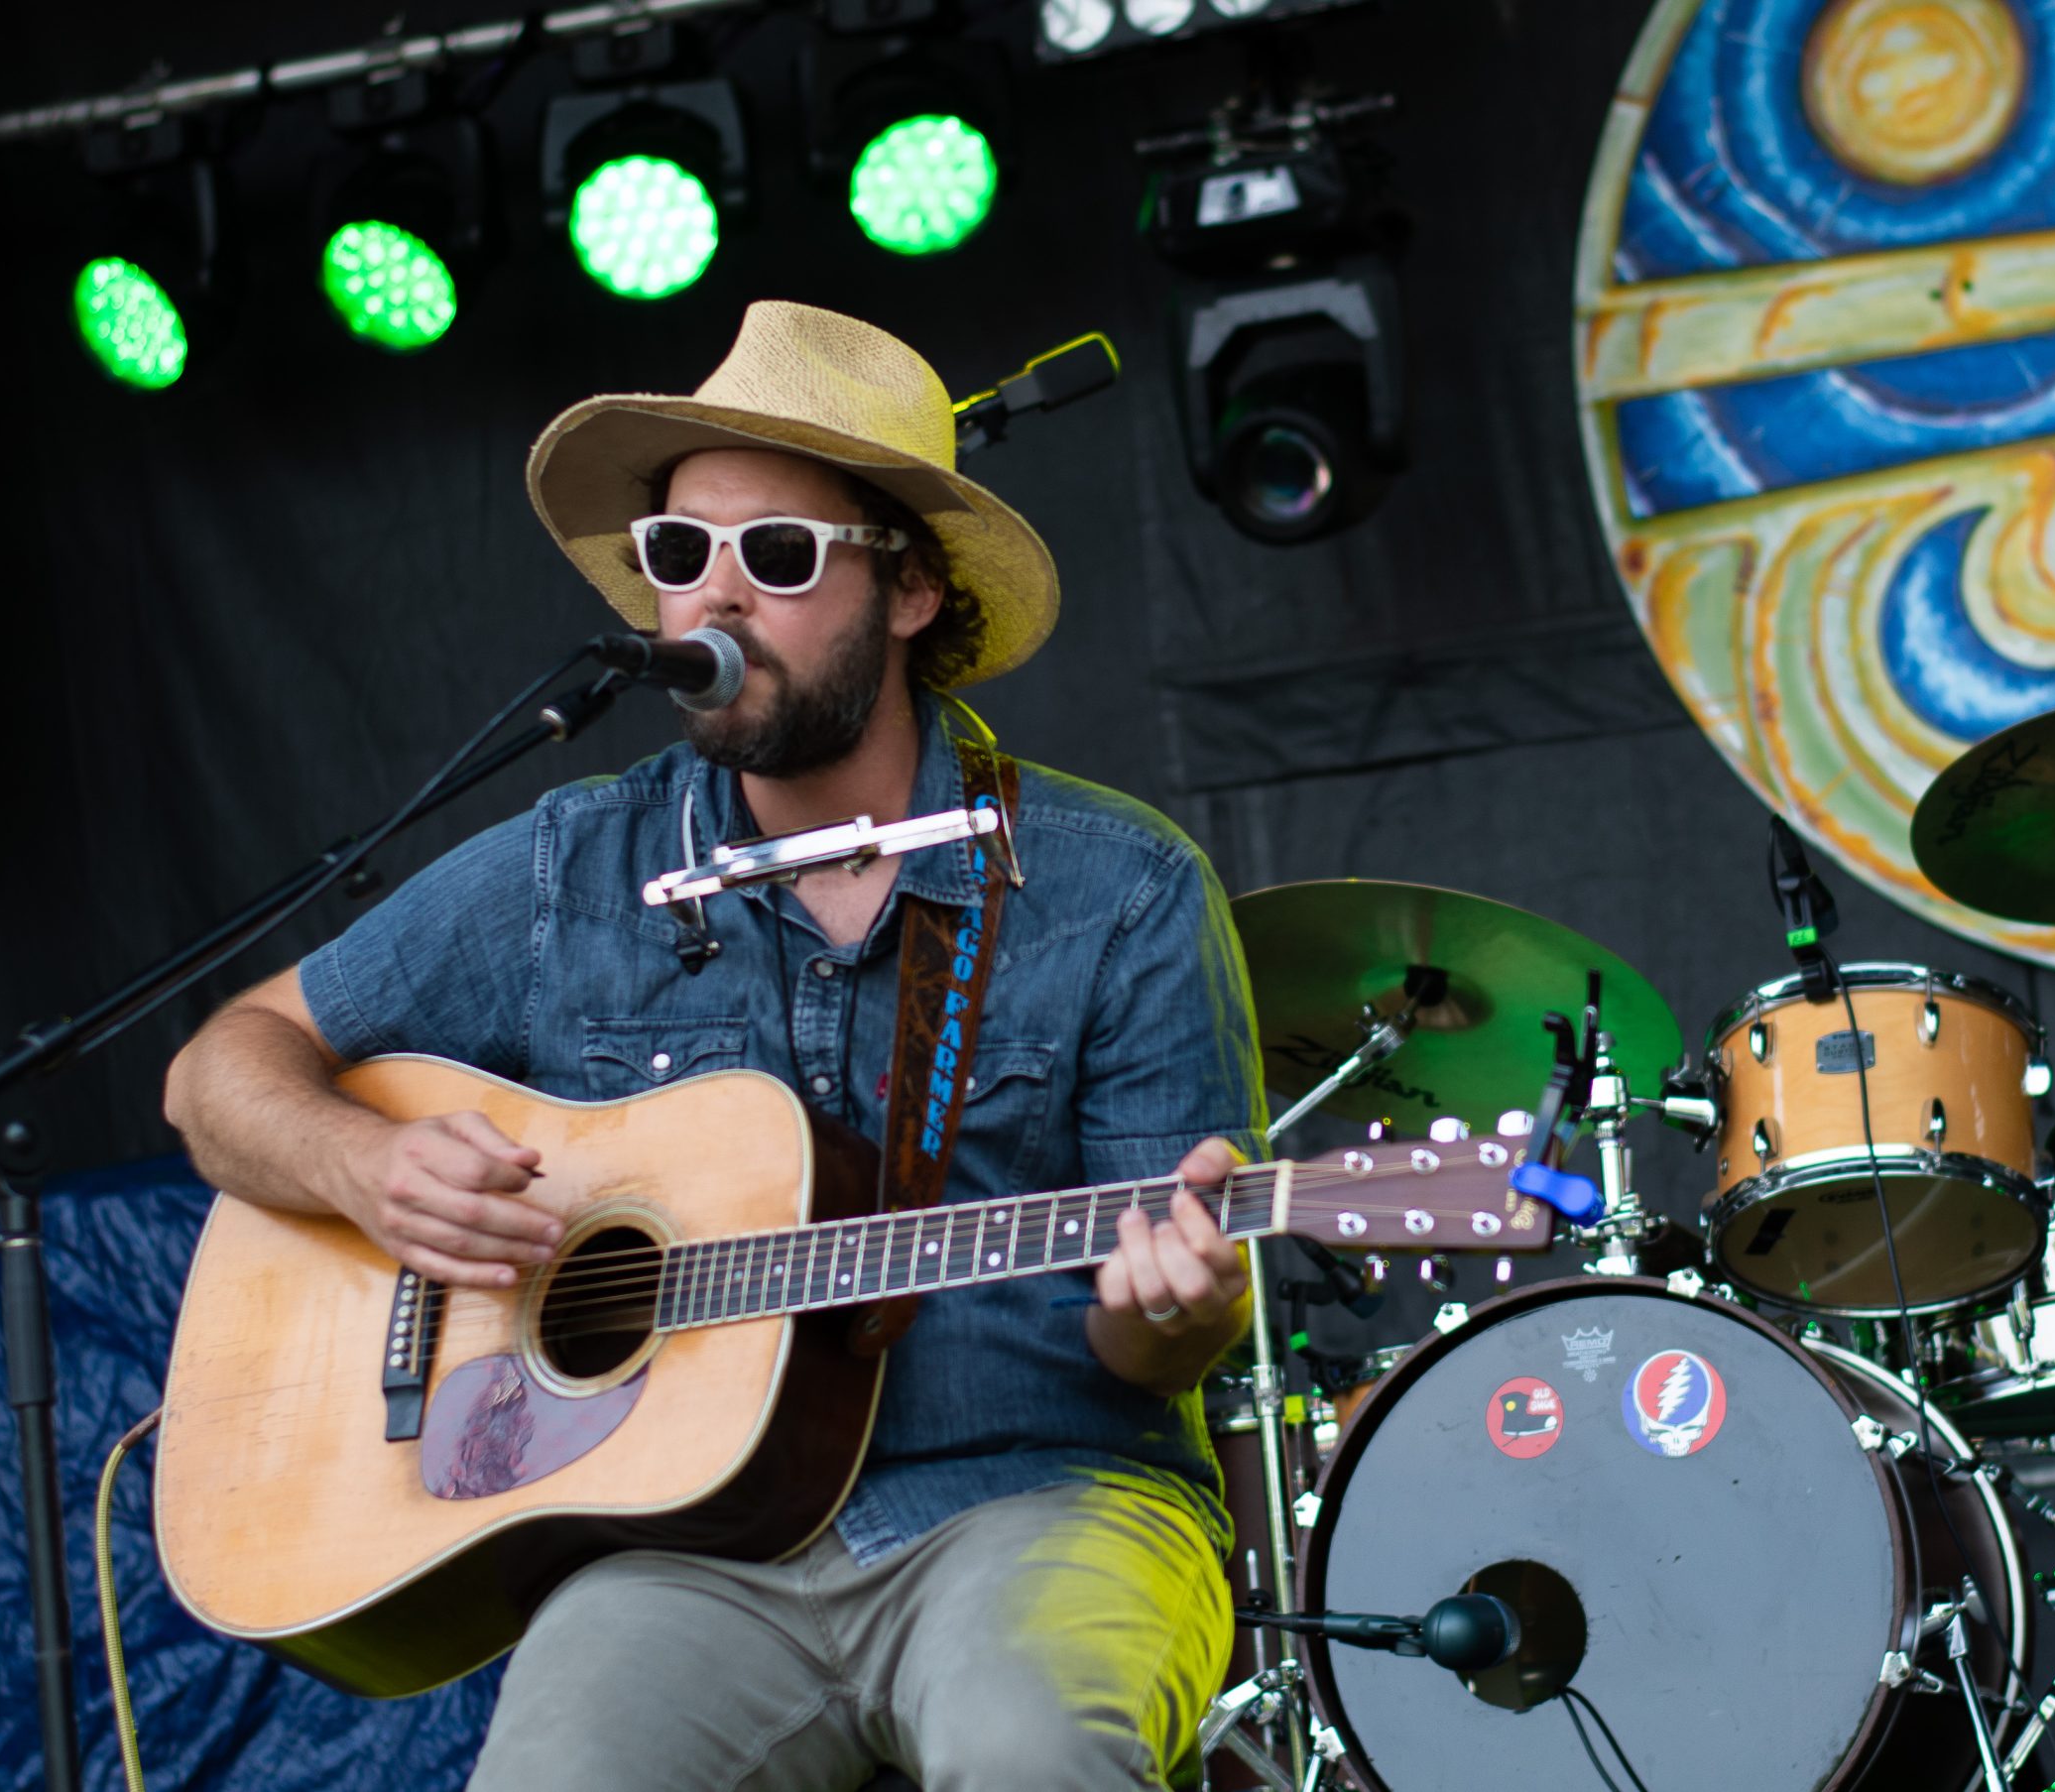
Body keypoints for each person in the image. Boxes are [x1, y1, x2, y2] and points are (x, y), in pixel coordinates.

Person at [163, 301, 1268, 1791]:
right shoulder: (571, 866)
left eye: (782, 557)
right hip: (684, 1554)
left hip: (1039, 1496)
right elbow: (224, 1065)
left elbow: (1168, 1348)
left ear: (914, 593)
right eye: (681, 558)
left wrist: (1177, 1304)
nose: (716, 602)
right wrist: (361, 1165)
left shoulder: (1114, 886)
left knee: (1029, 1752)